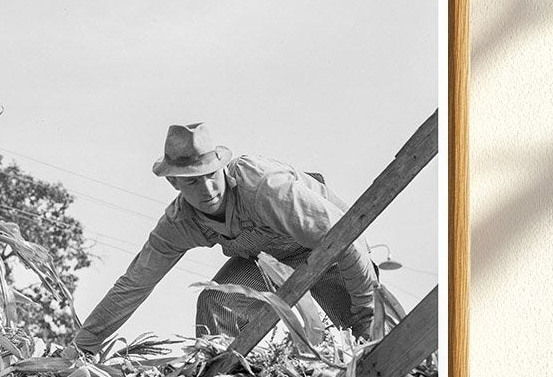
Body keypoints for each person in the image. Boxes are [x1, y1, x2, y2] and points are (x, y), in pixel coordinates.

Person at [72, 122, 379, 355]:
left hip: (329, 253)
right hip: (267, 263)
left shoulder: (264, 188)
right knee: (216, 302)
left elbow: (346, 240)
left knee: (368, 341)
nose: (207, 190)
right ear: (174, 183)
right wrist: (81, 348)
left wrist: (366, 313)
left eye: (211, 175)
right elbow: (134, 284)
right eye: (192, 182)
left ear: (222, 168)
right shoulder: (179, 223)